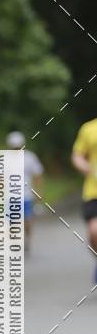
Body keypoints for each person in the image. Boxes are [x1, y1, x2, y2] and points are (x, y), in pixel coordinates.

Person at [6, 131, 43, 252]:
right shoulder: (5, 159)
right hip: (11, 196)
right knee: (14, 221)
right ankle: (17, 241)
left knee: (26, 219)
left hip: (25, 195)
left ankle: (25, 240)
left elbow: (37, 176)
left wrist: (38, 193)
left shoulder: (29, 157)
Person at [71, 117, 97, 283]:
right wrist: (87, 168)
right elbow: (77, 156)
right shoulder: (89, 128)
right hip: (93, 191)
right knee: (94, 232)